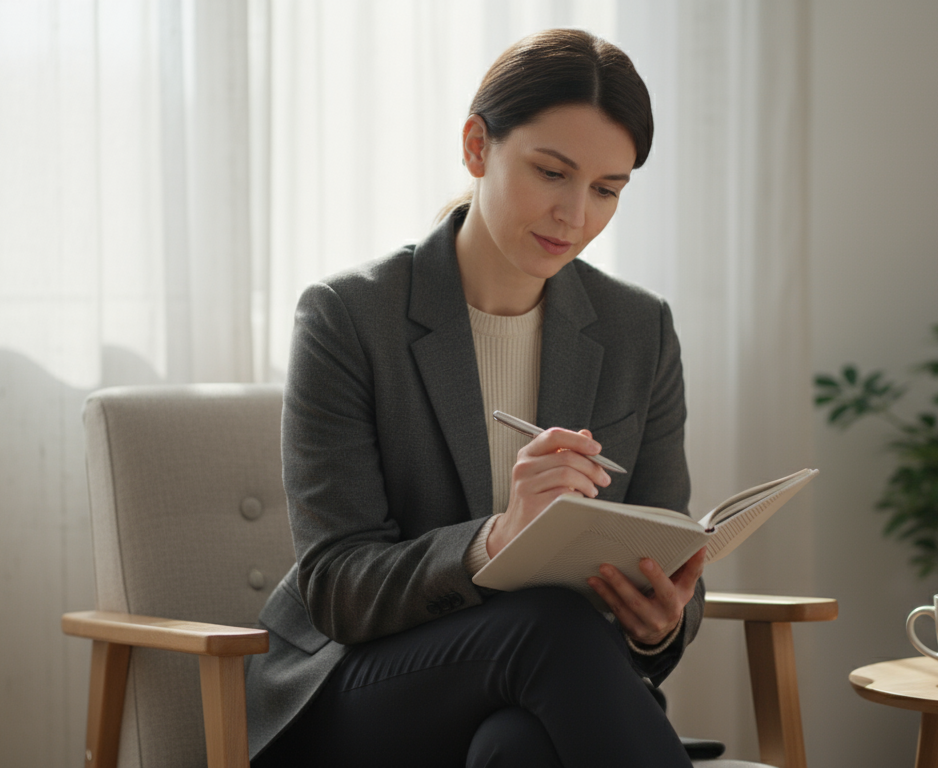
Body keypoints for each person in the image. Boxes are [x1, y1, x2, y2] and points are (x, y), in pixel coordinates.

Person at [246, 28, 705, 768]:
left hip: (547, 688)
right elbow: (336, 586)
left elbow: (667, 541)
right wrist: (496, 540)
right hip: (365, 685)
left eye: (606, 190)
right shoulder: (349, 316)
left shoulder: (637, 330)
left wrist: (658, 623)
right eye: (551, 172)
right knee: (549, 625)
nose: (575, 215)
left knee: (515, 748)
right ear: (476, 146)